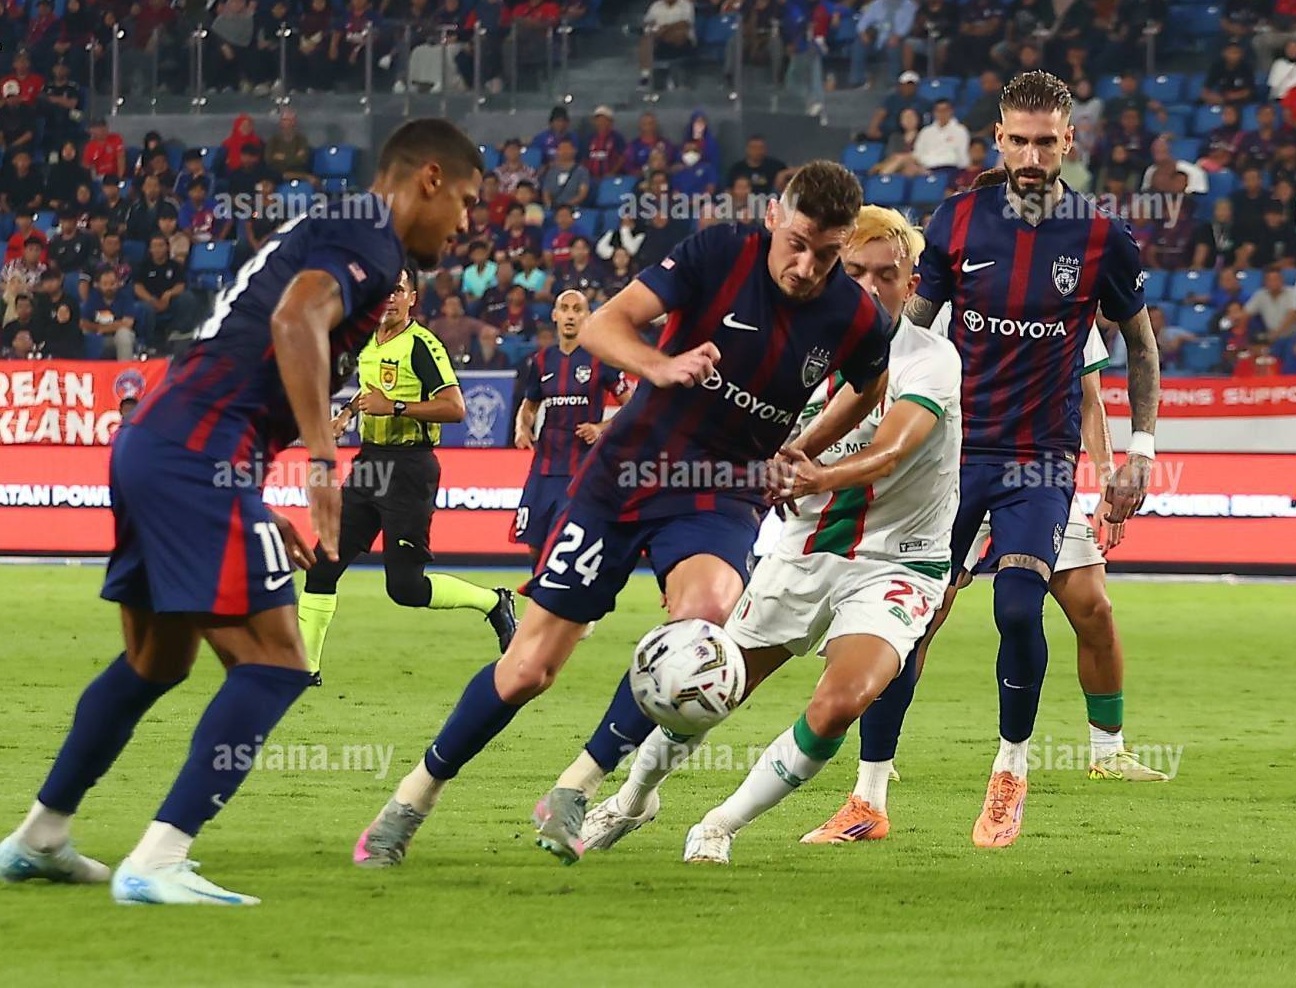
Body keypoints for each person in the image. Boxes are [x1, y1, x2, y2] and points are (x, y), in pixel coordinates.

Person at [0, 119, 483, 906]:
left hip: (158, 443)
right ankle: (159, 858)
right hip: (195, 454)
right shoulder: (371, 233)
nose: (464, 222)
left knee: (156, 660)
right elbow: (293, 319)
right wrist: (320, 460)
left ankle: (40, 836)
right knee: (278, 661)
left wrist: (248, 493)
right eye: (465, 199)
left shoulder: (337, 223)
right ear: (430, 177)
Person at [353, 161, 894, 869]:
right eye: (796, 244)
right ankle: (412, 797)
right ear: (772, 217)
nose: (805, 267)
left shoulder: (855, 316)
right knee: (528, 669)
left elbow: (869, 385)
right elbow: (606, 324)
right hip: (623, 476)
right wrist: (657, 365)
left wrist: (803, 449)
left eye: (824, 253)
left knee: (705, 620)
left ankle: (577, 786)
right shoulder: (719, 252)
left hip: (720, 488)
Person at [585, 205, 960, 862]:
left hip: (898, 564)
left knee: (840, 702)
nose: (871, 287)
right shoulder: (796, 348)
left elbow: (894, 448)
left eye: (887, 275)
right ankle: (632, 798)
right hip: (800, 551)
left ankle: (718, 825)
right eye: (856, 271)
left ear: (912, 282)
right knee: (707, 684)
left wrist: (817, 475)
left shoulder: (930, 359)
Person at [899, 71, 1159, 848]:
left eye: (1048, 141)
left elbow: (1112, 371)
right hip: (953, 456)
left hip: (1043, 462)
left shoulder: (1098, 241)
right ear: (999, 140)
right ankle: (870, 771)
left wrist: (1129, 460)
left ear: (1069, 141)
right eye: (1019, 140)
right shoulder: (955, 227)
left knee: (1065, 607)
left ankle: (1078, 755)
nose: (1034, 155)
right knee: (916, 612)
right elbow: (907, 338)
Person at [298, 267, 517, 686]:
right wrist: (346, 414)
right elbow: (370, 392)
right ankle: (305, 669)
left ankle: (493, 602)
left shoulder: (422, 345)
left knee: (406, 589)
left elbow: (456, 408)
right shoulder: (368, 340)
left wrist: (396, 407)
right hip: (370, 465)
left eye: (398, 291)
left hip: (410, 469)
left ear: (412, 298)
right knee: (322, 565)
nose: (390, 299)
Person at [511, 289, 631, 567]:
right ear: (554, 315)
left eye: (578, 310)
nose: (570, 315)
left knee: (569, 543)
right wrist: (522, 428)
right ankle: (538, 593)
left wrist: (601, 427)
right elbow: (529, 405)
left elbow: (633, 404)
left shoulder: (602, 358)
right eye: (564, 309)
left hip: (582, 468)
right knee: (535, 545)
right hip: (544, 467)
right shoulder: (541, 361)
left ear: (587, 317)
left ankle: (566, 594)